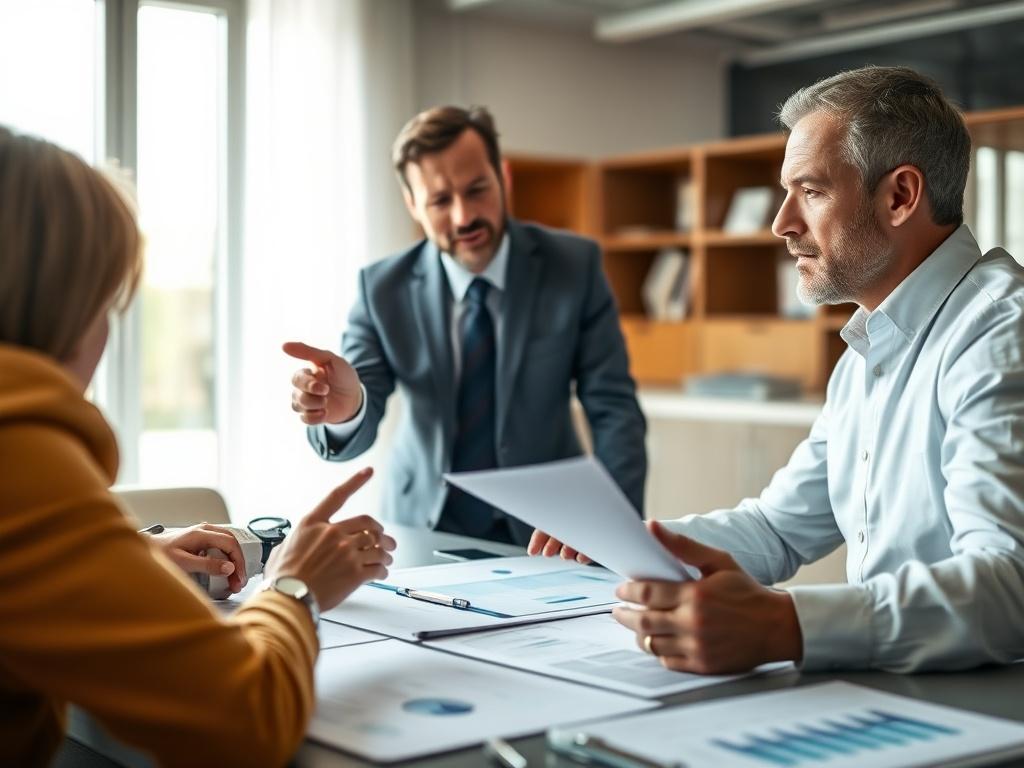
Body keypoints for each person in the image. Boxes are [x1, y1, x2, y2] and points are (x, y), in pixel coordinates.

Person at [531, 66, 1024, 674]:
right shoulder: (869, 351)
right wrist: (628, 544)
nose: (781, 223)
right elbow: (779, 530)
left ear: (899, 196)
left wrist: (786, 625)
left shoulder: (1002, 334)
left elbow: (1009, 586)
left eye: (811, 191)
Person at [0, 125, 396, 767]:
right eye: (107, 304)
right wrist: (293, 587)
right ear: (65, 307)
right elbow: (244, 720)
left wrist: (129, 557)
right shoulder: (18, 459)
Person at [286, 105, 647, 545]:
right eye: (440, 200)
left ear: (504, 178)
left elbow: (614, 410)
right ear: (413, 205)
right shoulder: (382, 288)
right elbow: (363, 398)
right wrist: (347, 409)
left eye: (478, 190)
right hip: (419, 530)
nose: (463, 217)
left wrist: (615, 532)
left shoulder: (574, 267)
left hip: (550, 532)